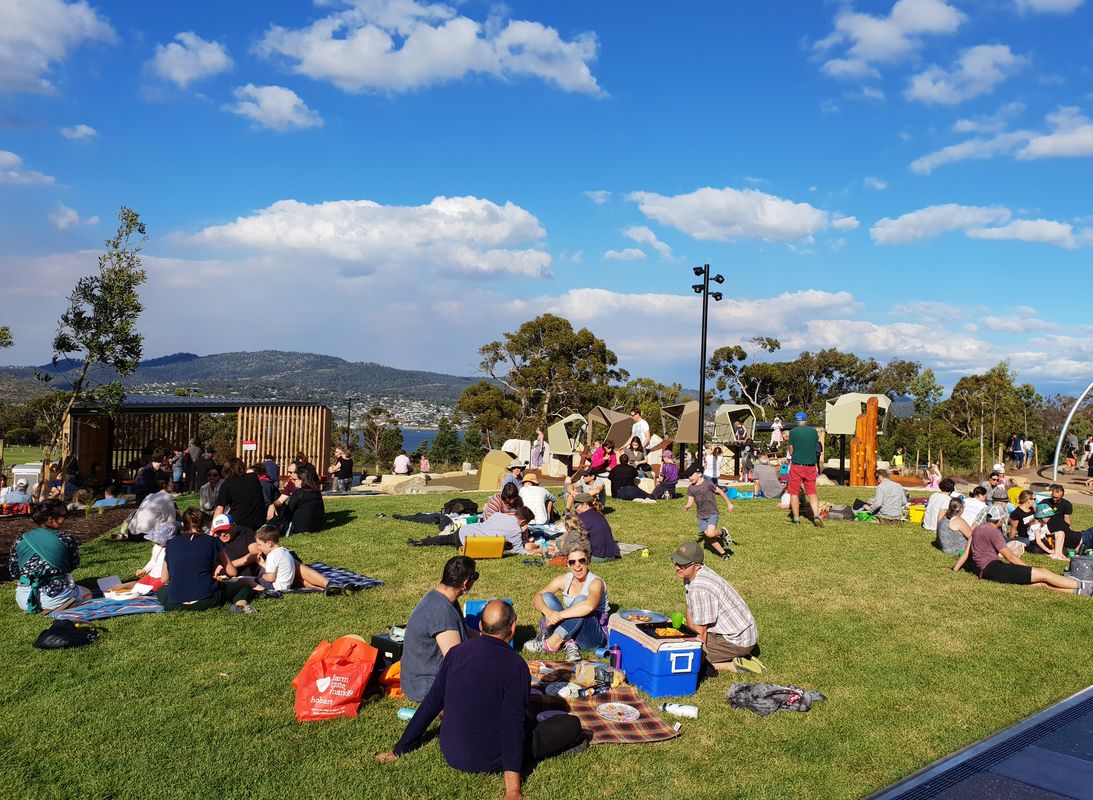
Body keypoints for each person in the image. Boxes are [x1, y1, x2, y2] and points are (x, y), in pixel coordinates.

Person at [378, 601, 586, 800]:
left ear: (480, 626)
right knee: (570, 724)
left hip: (451, 749)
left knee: (526, 712)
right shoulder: (515, 665)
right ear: (512, 628)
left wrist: (400, 748)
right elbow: (511, 726)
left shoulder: (457, 652)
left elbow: (432, 701)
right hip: (490, 757)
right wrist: (512, 790)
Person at [952, 507, 1091, 595]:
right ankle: (1084, 585)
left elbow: (966, 552)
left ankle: (1081, 591)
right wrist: (1028, 569)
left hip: (987, 571)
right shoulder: (994, 533)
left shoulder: (978, 529)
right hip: (993, 569)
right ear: (1000, 520)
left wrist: (955, 569)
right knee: (1043, 573)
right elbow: (1010, 557)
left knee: (1041, 583)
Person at [671, 541, 763, 673]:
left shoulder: (700, 587)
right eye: (676, 562)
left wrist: (693, 651)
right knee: (684, 644)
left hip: (737, 640)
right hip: (735, 634)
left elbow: (701, 632)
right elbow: (690, 608)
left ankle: (732, 665)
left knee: (686, 659)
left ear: (696, 566)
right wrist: (690, 637)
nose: (677, 567)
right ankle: (733, 655)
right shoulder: (693, 574)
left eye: (683, 564)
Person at [401, 556, 479, 702]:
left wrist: (492, 640)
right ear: (465, 583)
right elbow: (457, 661)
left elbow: (465, 630)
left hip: (419, 680)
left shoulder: (443, 597)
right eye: (475, 576)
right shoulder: (442, 612)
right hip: (425, 687)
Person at [156, 510, 257, 614]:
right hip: (206, 599)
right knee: (244, 586)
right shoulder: (213, 541)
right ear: (204, 524)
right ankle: (240, 604)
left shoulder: (171, 543)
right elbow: (232, 572)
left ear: (183, 524)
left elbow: (164, 578)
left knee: (161, 590)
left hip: (174, 604)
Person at [526, 541, 608, 658]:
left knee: (580, 601)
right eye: (572, 562)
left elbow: (589, 606)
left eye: (582, 561)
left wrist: (559, 615)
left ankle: (551, 643)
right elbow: (537, 597)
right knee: (546, 597)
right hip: (571, 629)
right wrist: (548, 613)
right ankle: (568, 642)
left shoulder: (596, 582)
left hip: (592, 636)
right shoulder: (564, 579)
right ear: (568, 565)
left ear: (588, 561)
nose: (577, 565)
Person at [10, 500, 92, 614]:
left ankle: (44, 606)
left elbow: (14, 572)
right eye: (64, 515)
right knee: (87, 593)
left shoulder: (21, 540)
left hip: (24, 599)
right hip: (55, 597)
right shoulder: (66, 539)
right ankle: (63, 607)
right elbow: (73, 564)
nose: (66, 518)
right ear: (51, 520)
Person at [683, 469, 733, 560]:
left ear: (699, 474)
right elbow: (690, 501)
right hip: (701, 515)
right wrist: (687, 506)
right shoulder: (691, 488)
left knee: (710, 534)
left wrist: (729, 503)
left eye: (691, 475)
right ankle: (723, 553)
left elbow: (721, 492)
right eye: (688, 476)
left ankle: (723, 533)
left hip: (712, 512)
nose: (689, 477)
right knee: (710, 537)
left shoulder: (708, 483)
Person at [214, 457, 272, 531]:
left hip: (239, 523)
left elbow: (219, 509)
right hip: (259, 521)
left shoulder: (227, 485)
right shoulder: (253, 478)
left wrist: (213, 530)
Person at [787, 411, 823, 527]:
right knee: (812, 492)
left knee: (794, 492)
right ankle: (816, 515)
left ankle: (796, 519)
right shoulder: (813, 432)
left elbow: (791, 451)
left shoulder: (793, 432)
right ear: (806, 420)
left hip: (797, 465)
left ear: (796, 421)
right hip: (811, 466)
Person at [125, 476, 177, 541]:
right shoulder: (167, 497)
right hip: (145, 535)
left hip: (132, 533)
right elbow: (171, 522)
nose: (173, 484)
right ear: (165, 485)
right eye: (171, 482)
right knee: (178, 524)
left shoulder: (150, 496)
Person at [209, 513, 259, 577]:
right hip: (227, 579)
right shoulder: (214, 542)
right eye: (219, 532)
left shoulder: (245, 533)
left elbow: (256, 553)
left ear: (233, 525)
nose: (222, 534)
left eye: (225, 530)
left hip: (252, 576)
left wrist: (229, 566)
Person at [573, 493, 620, 561]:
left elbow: (573, 538)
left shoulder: (581, 518)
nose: (575, 508)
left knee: (560, 543)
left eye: (576, 506)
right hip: (613, 553)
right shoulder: (598, 514)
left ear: (585, 504)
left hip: (597, 556)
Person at [284, 462, 325, 534]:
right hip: (318, 526)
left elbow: (288, 511)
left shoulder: (298, 493)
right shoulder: (317, 492)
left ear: (302, 480)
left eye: (295, 480)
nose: (293, 482)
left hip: (300, 527)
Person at [1041, 484, 1079, 558]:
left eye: (1057, 498)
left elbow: (1066, 518)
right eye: (1053, 496)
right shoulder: (1045, 502)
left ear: (1062, 496)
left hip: (1060, 527)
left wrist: (1069, 529)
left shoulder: (1066, 504)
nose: (1054, 499)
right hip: (1047, 527)